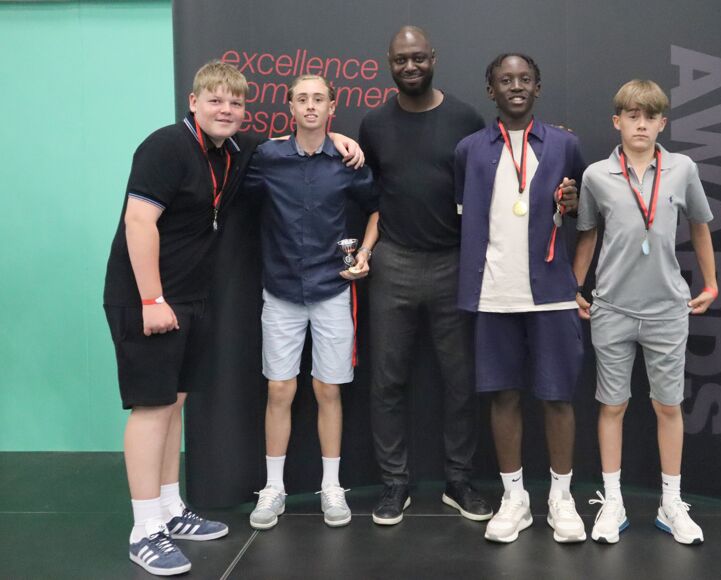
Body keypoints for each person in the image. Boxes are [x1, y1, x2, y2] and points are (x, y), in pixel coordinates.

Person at [103, 61, 363, 576]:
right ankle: (145, 529)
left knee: (173, 404)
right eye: (215, 100)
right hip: (147, 298)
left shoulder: (232, 152)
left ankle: (170, 510)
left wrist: (333, 138)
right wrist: (152, 300)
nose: (226, 110)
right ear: (193, 102)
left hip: (190, 297)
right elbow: (138, 221)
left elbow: (301, 143)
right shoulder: (165, 146)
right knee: (151, 409)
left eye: (235, 103)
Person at [357, 25, 493, 525]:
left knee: (460, 380)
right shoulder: (374, 124)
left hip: (453, 262)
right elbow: (370, 190)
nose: (410, 66)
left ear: (433, 58)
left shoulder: (465, 118)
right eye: (401, 59)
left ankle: (459, 480)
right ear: (389, 63)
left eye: (418, 57)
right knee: (387, 380)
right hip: (393, 260)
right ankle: (395, 483)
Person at [573, 79, 717, 545]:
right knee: (612, 405)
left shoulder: (682, 169)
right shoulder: (596, 175)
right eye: (632, 116)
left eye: (650, 116)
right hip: (611, 308)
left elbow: (700, 225)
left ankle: (671, 502)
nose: (641, 124)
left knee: (668, 405)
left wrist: (711, 283)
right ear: (617, 121)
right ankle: (612, 500)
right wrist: (576, 286)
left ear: (662, 123)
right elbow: (588, 234)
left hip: (667, 310)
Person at [455, 53, 586, 544]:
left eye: (524, 79)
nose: (515, 86)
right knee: (503, 395)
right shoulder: (469, 150)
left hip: (551, 292)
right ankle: (515, 499)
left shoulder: (565, 144)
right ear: (491, 90)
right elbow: (463, 210)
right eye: (505, 80)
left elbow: (583, 211)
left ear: (538, 87)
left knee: (557, 396)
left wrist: (573, 205)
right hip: (493, 293)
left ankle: (561, 498)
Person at [243, 75, 378, 530]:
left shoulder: (347, 159)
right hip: (280, 290)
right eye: (302, 99)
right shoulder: (268, 156)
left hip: (331, 289)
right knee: (279, 390)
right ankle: (273, 488)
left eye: (319, 99)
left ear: (332, 107)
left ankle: (332, 486)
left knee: (328, 390)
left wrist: (364, 253)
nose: (310, 106)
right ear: (290, 107)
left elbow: (377, 208)